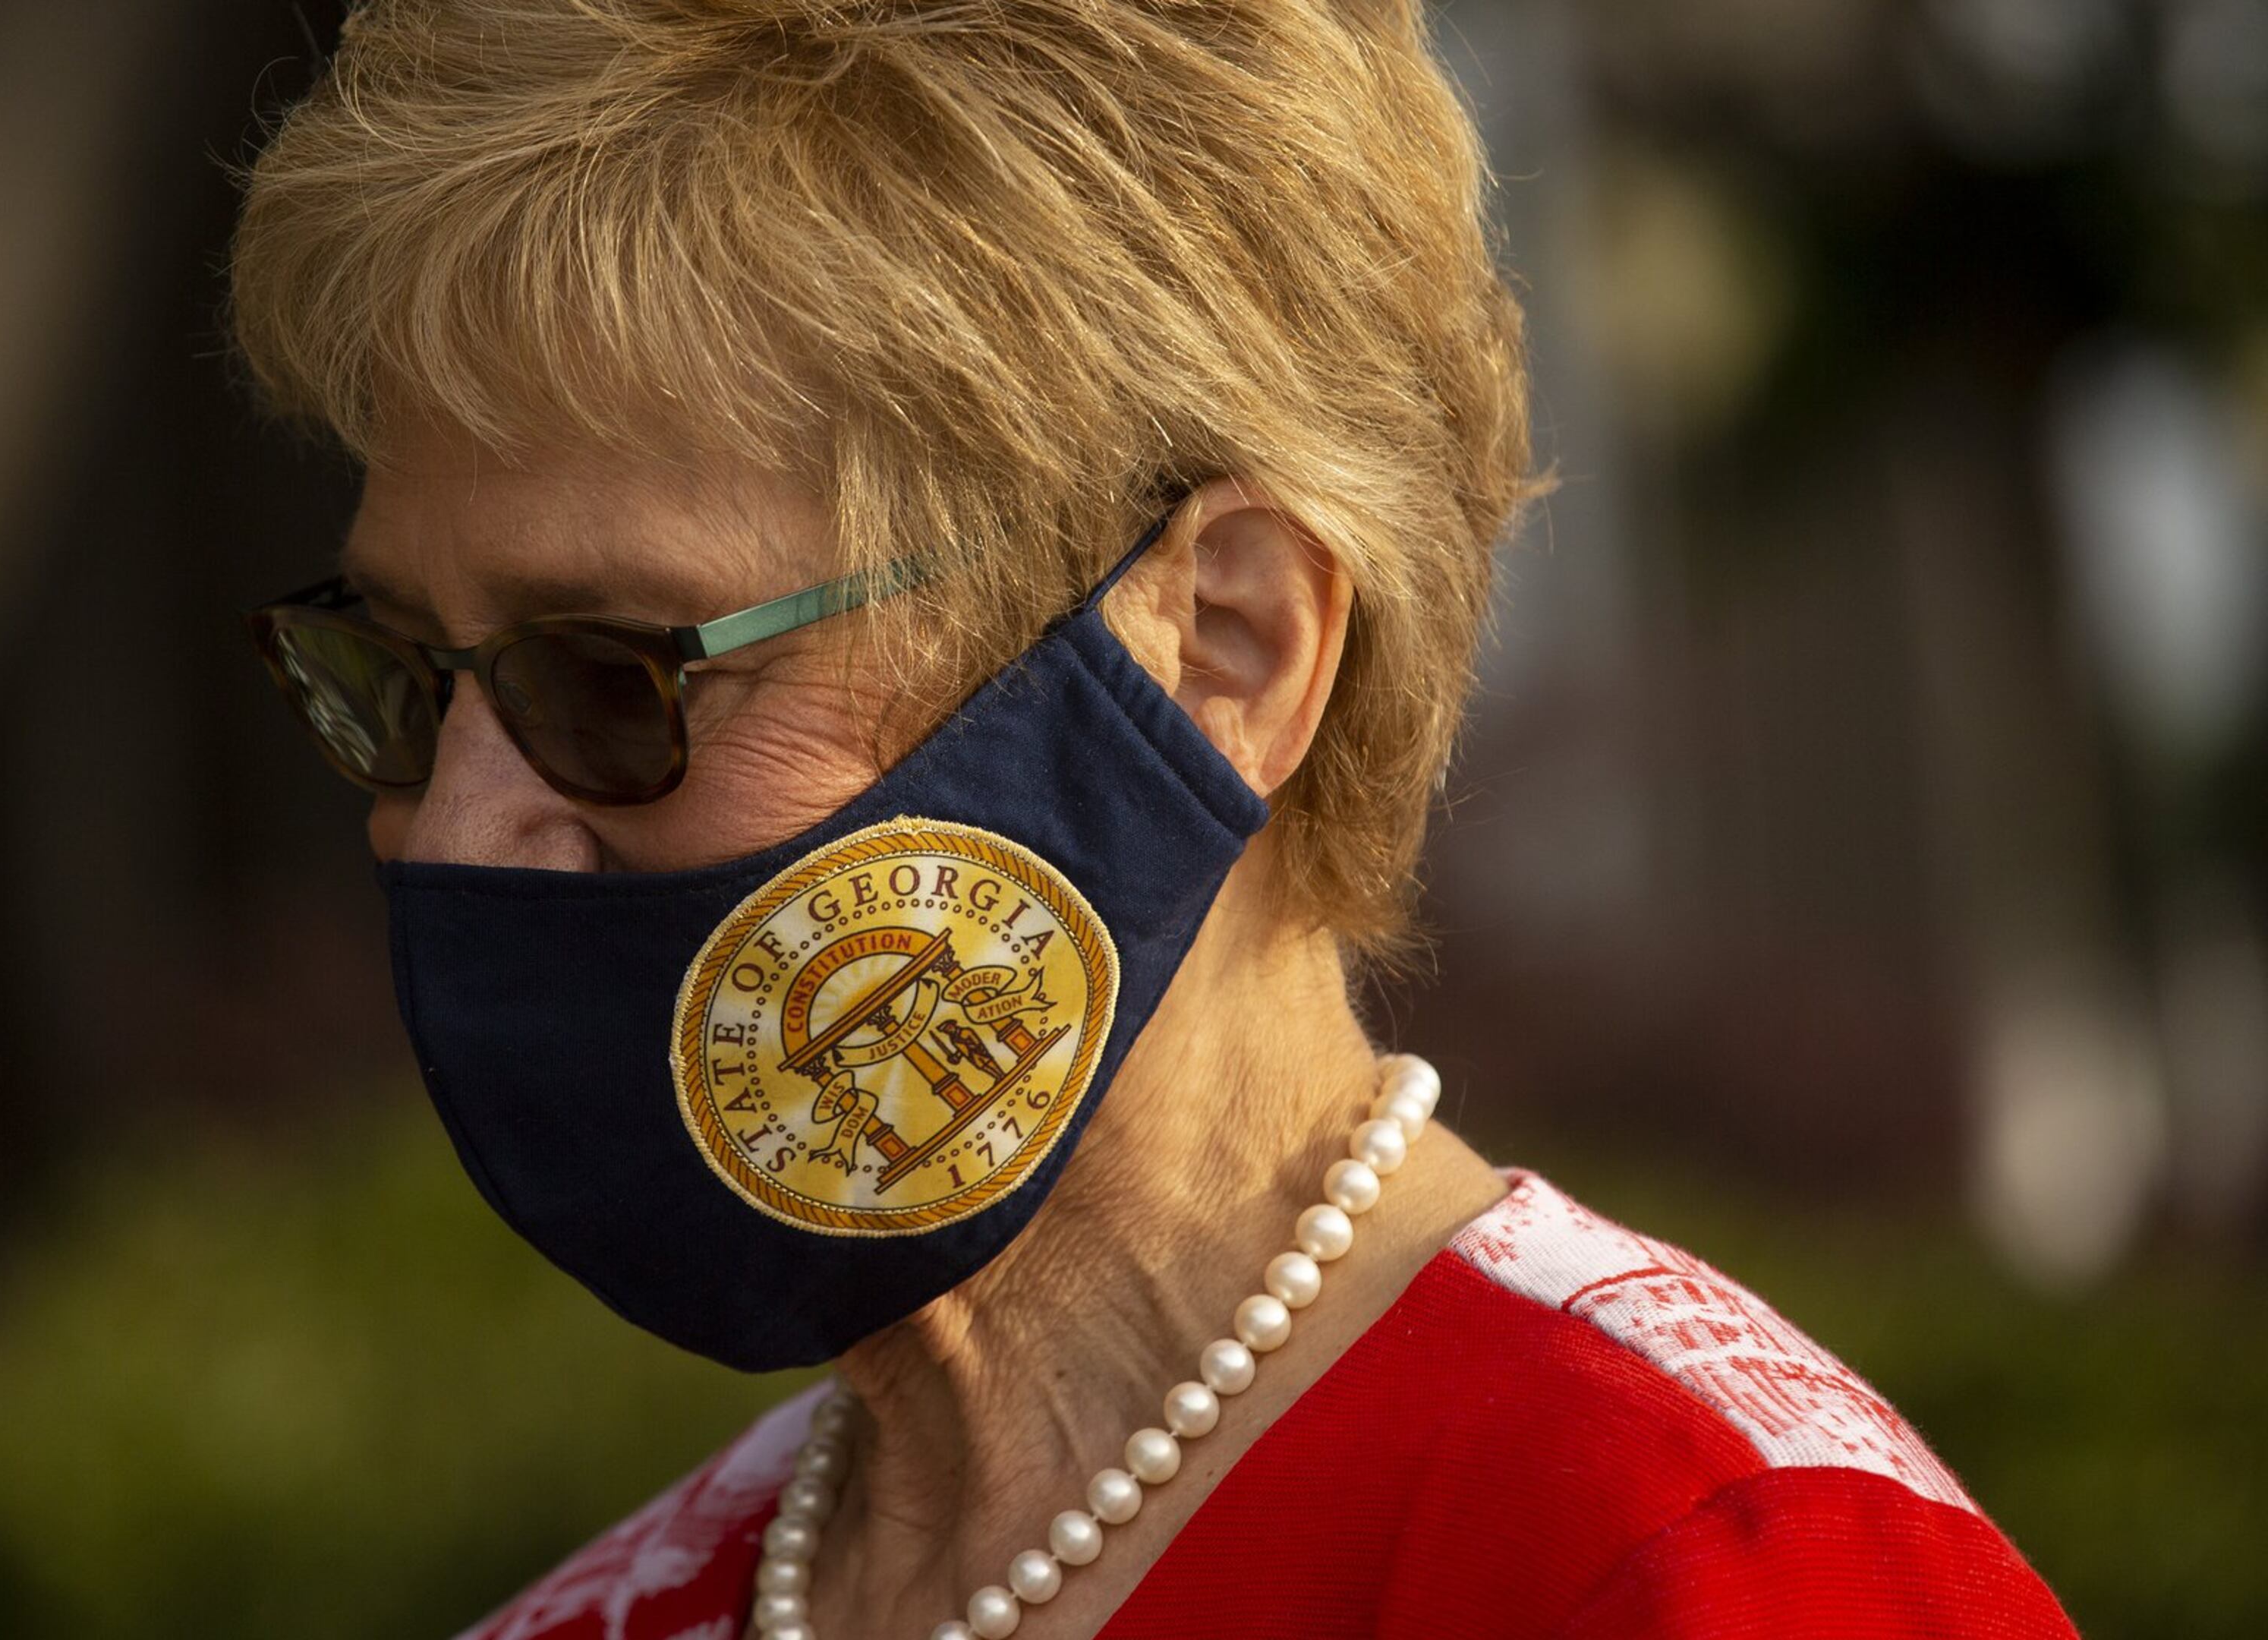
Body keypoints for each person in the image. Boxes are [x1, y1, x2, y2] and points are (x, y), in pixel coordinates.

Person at [226, 0, 2078, 1635]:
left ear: (1225, 647)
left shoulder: (1707, 1566)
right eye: (398, 677)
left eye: (613, 678)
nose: (454, 832)